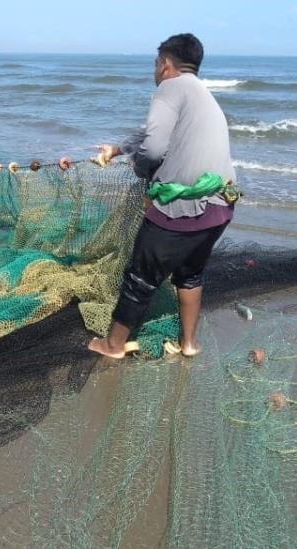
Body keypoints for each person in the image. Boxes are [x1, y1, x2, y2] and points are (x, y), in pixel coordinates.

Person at [61, 33, 236, 359]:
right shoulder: (202, 94)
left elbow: (154, 148)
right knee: (190, 273)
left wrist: (140, 169)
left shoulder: (169, 87)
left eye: (156, 64)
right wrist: (118, 149)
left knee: (140, 276)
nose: (155, 71)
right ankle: (189, 344)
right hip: (220, 207)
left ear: (166, 65)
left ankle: (113, 345)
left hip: (182, 210)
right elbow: (155, 136)